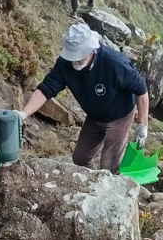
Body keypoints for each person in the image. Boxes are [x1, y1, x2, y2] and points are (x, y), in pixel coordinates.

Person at [17, 23, 148, 173]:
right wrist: (24, 113)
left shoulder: (114, 63)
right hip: (94, 115)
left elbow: (141, 90)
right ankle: (92, 184)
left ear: (92, 50)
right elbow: (45, 90)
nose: (76, 61)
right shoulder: (65, 65)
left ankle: (111, 190)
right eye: (73, 56)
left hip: (119, 116)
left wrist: (142, 126)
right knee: (80, 158)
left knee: (108, 166)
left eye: (80, 56)